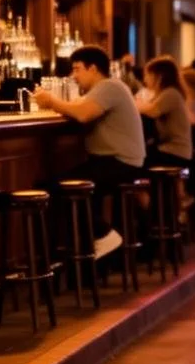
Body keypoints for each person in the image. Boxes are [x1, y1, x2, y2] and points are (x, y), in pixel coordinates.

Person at [34, 45, 146, 258]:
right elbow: (78, 107)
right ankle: (90, 250)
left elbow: (83, 114)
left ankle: (102, 235)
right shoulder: (103, 89)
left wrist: (51, 101)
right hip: (116, 161)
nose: (73, 75)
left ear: (93, 68)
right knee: (73, 188)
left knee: (56, 188)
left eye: (77, 69)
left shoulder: (109, 86)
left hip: (120, 163)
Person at [137, 55, 193, 170]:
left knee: (137, 160)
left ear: (159, 76)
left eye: (148, 75)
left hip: (174, 151)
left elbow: (152, 111)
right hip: (168, 148)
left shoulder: (171, 93)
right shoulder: (165, 94)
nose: (145, 80)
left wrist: (133, 105)